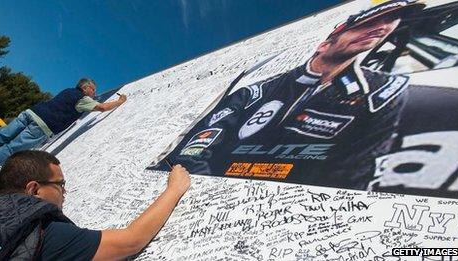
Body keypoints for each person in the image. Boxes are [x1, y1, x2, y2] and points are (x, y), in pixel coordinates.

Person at [159, 0, 425, 190]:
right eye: (367, 24)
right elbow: (195, 151)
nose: (379, 29)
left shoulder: (381, 94)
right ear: (325, 42)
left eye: (388, 23)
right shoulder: (255, 92)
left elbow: (358, 172)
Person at [0, 150, 190, 260]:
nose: (65, 192)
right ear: (34, 190)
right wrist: (175, 187)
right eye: (60, 184)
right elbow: (132, 241)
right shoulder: (42, 234)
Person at [0, 78, 127, 165]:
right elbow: (102, 107)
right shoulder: (82, 98)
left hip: (30, 113)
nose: (95, 92)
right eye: (93, 89)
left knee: (3, 135)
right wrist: (120, 101)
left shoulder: (68, 90)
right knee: (11, 149)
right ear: (85, 87)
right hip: (41, 126)